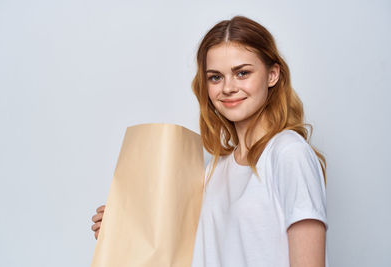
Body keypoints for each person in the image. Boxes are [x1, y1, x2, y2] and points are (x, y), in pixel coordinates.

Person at [91, 15, 328, 267]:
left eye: (242, 73)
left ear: (272, 75)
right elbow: (182, 254)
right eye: (215, 77)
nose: (228, 87)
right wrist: (123, 230)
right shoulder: (214, 171)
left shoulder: (289, 153)